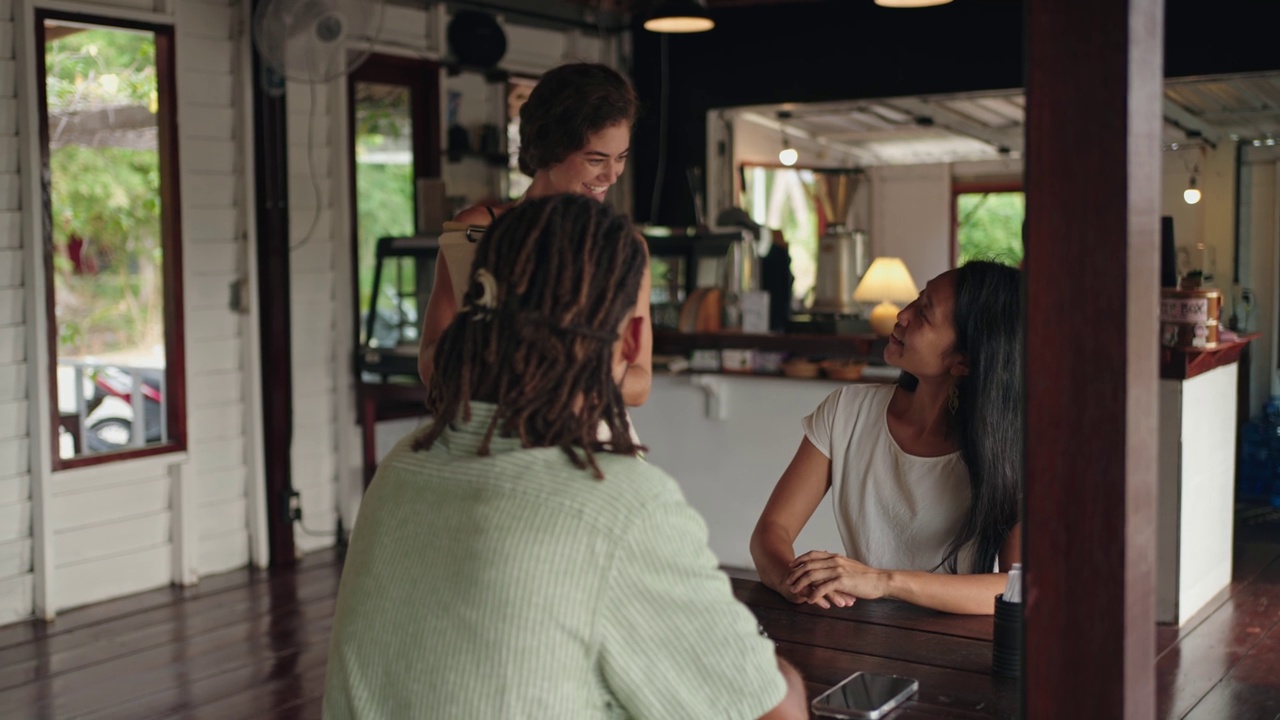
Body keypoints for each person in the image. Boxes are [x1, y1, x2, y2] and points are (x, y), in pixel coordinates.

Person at [324, 195, 807, 720]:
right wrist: (768, 667)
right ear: (632, 341)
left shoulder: (403, 465)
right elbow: (776, 712)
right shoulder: (618, 504)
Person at [750, 261, 1023, 615]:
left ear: (964, 362)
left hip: (959, 647)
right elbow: (772, 529)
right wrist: (792, 580)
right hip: (864, 634)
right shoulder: (846, 411)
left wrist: (882, 581)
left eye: (924, 314)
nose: (903, 314)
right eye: (917, 299)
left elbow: (1017, 585)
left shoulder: (1010, 448)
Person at [417, 62, 652, 407]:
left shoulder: (624, 249)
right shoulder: (478, 230)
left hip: (587, 443)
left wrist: (565, 370)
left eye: (621, 158)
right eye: (596, 159)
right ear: (550, 148)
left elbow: (640, 385)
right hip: (486, 439)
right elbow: (429, 365)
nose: (612, 175)